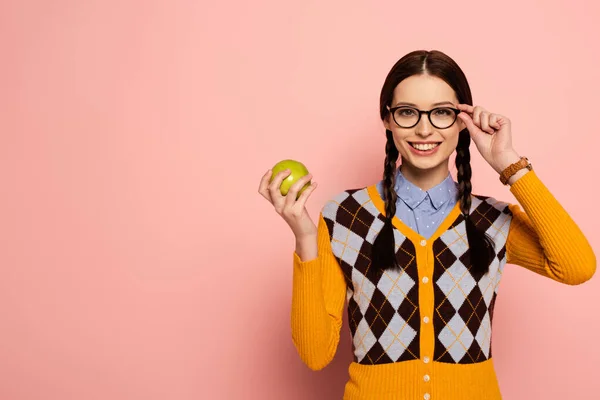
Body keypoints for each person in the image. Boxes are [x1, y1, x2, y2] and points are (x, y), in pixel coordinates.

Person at [257, 49, 596, 400]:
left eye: (442, 113)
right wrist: (305, 238)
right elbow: (315, 353)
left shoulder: (491, 220)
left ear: (463, 120)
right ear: (387, 119)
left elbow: (577, 266)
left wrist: (508, 164)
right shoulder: (345, 216)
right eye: (407, 112)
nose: (424, 128)